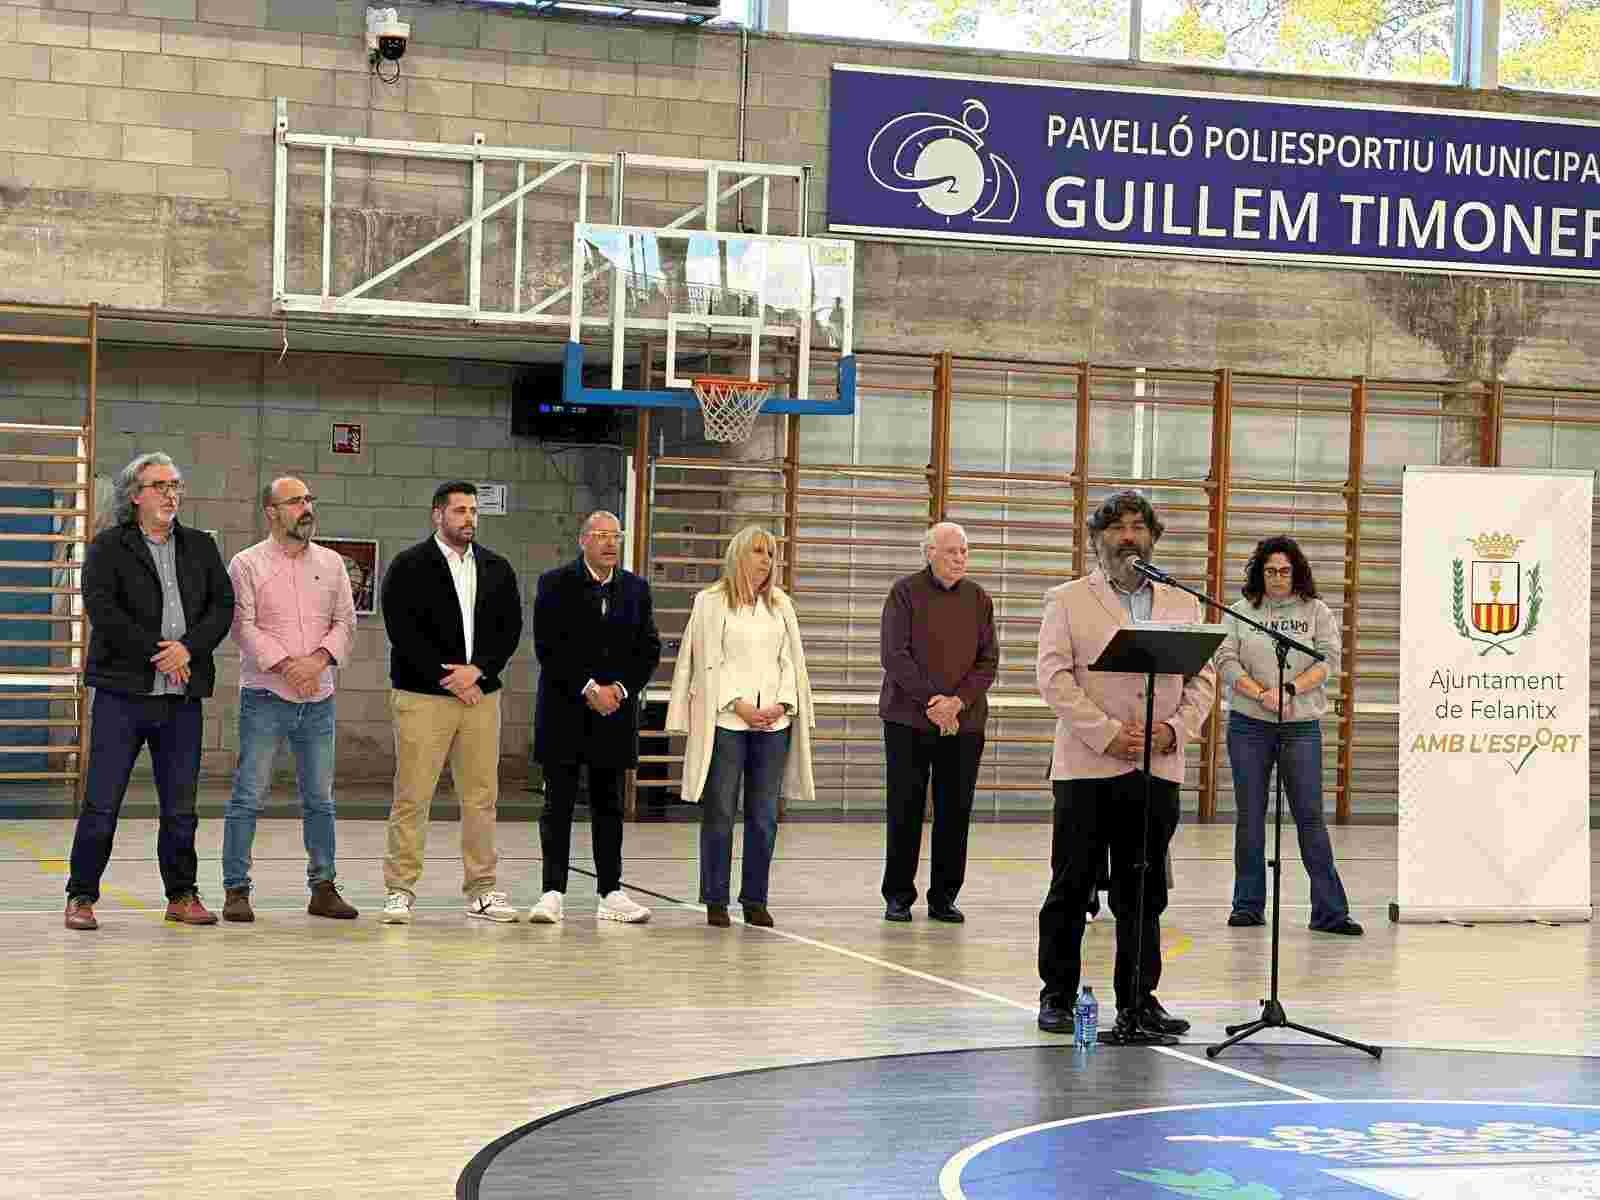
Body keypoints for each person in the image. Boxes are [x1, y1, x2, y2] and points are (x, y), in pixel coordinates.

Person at [1034, 490, 1216, 1038]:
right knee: (1072, 886)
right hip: (1088, 768)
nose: (1128, 536)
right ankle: (1058, 996)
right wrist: (1108, 734)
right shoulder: (1067, 600)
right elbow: (1053, 678)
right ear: (1097, 539)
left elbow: (1203, 680)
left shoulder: (1182, 601)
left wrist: (1174, 730)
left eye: (1138, 526)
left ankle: (1139, 999)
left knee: (1144, 891)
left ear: (1153, 537)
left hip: (1156, 768)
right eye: (1116, 527)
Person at [64, 453, 236, 931]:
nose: (171, 494)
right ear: (135, 495)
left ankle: (181, 894)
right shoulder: (108, 547)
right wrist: (160, 654)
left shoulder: (201, 546)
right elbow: (104, 610)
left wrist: (188, 650)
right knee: (102, 802)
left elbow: (222, 606)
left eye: (175, 485)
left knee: (181, 808)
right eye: (160, 485)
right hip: (122, 695)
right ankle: (81, 896)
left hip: (182, 699)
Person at [378, 482, 524, 925]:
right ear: (437, 515)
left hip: (480, 696)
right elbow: (402, 632)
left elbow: (509, 629)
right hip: (423, 696)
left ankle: (482, 889)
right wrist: (452, 679)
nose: (469, 519)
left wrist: (478, 671)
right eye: (460, 510)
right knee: (412, 795)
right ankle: (400, 890)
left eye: (474, 511)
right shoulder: (408, 565)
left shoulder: (497, 568)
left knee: (481, 797)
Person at [220, 477, 358, 923]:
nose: (306, 508)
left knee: (320, 799)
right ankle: (236, 890)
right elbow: (242, 626)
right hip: (265, 696)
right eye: (295, 501)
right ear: (271, 512)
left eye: (308, 499)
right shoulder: (247, 564)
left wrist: (315, 663)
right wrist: (287, 667)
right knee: (248, 795)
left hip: (318, 698)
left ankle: (324, 888)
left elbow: (345, 622)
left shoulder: (332, 563)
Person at [665, 525, 816, 928]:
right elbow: (707, 662)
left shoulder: (781, 605)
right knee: (720, 811)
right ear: (738, 556)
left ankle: (755, 898)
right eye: (758, 552)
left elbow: (791, 662)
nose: (766, 560)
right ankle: (715, 898)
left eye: (770, 554)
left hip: (774, 725)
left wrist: (781, 704)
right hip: (727, 721)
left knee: (764, 815)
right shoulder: (710, 602)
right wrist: (740, 704)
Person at [1215, 536, 1362, 936]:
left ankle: (1330, 912)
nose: (1277, 577)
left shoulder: (1316, 611)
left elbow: (1328, 660)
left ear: (1296, 573)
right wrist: (1260, 694)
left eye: (1284, 571)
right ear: (1258, 574)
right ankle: (1247, 905)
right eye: (1270, 571)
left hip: (1300, 726)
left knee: (1310, 816)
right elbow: (1225, 660)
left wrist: (1289, 690)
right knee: (1250, 816)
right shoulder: (1240, 612)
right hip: (1249, 723)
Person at [528, 511, 662, 925]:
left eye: (615, 536)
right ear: (583, 540)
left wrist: (618, 690)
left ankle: (610, 891)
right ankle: (552, 892)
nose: (609, 543)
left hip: (614, 715)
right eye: (601, 535)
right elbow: (548, 646)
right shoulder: (554, 583)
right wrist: (588, 688)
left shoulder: (636, 589)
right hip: (565, 711)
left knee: (609, 805)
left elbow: (648, 649)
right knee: (558, 805)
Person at [878, 522, 998, 924]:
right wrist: (933, 702)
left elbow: (988, 662)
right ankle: (898, 895)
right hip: (908, 721)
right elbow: (895, 655)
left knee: (955, 813)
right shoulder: (904, 593)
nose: (960, 558)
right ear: (930, 553)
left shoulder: (978, 598)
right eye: (951, 551)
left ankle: (944, 897)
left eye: (964, 551)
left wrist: (957, 703)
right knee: (905, 809)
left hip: (964, 724)